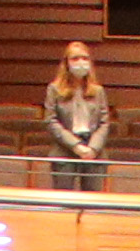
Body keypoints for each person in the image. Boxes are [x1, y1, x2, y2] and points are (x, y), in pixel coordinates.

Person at [41, 41, 114, 191]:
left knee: (92, 203)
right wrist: (76, 146)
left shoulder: (98, 91)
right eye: (75, 58)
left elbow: (104, 123)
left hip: (94, 151)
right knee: (64, 202)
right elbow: (51, 121)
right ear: (66, 63)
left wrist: (92, 148)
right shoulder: (54, 89)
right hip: (65, 149)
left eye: (85, 58)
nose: (81, 62)